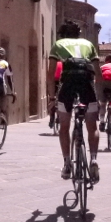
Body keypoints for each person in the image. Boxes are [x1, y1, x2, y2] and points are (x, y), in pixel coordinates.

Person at [46, 20, 103, 182]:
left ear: (63, 34)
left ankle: (67, 163)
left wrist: (51, 98)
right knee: (92, 126)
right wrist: (98, 98)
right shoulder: (88, 44)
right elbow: (98, 74)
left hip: (68, 83)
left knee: (64, 127)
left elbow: (51, 75)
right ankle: (93, 159)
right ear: (79, 34)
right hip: (86, 82)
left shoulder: (58, 44)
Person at [48, 60, 63, 130]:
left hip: (54, 82)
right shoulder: (64, 63)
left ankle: (51, 116)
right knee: (61, 100)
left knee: (52, 99)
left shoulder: (54, 63)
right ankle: (59, 117)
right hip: (61, 82)